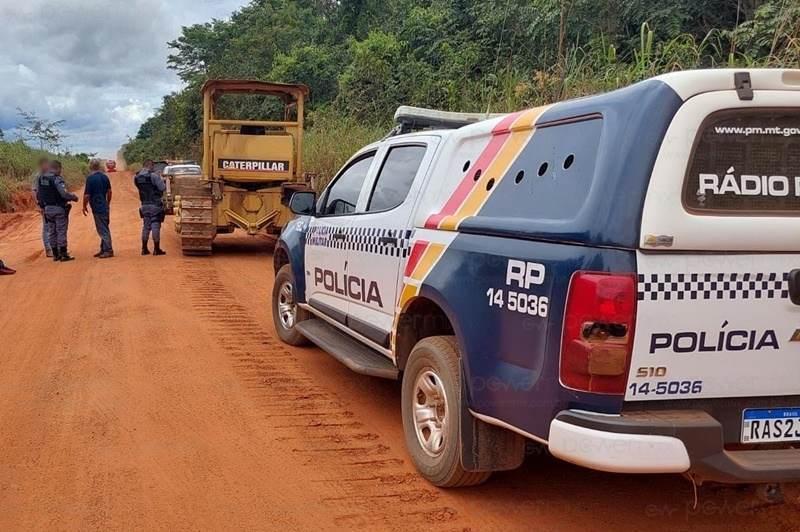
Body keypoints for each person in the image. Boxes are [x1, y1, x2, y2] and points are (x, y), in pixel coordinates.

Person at [37, 160, 79, 262]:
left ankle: (55, 254)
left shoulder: (41, 179)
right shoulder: (57, 179)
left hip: (47, 209)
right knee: (61, 231)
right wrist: (73, 197)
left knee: (52, 231)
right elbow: (64, 194)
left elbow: (39, 194)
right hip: (58, 208)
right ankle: (63, 254)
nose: (61, 171)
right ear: (58, 168)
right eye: (61, 169)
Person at [134, 160, 167, 256]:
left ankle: (144, 249)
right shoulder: (154, 176)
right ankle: (156, 249)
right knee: (155, 225)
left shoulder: (137, 177)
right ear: (151, 166)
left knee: (146, 226)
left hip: (144, 204)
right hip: (155, 204)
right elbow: (162, 188)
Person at [83, 159, 114, 258]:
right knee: (104, 227)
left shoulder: (90, 179)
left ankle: (108, 250)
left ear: (90, 167)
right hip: (104, 206)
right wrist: (107, 203)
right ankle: (103, 249)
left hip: (97, 207)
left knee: (102, 229)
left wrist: (84, 206)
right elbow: (109, 192)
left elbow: (87, 195)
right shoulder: (105, 177)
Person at [31, 157, 54, 258]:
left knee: (53, 226)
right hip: (43, 205)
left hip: (52, 204)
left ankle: (54, 247)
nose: (47, 166)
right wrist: (38, 204)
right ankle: (48, 249)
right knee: (46, 227)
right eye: (45, 164)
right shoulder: (37, 176)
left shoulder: (50, 174)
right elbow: (34, 191)